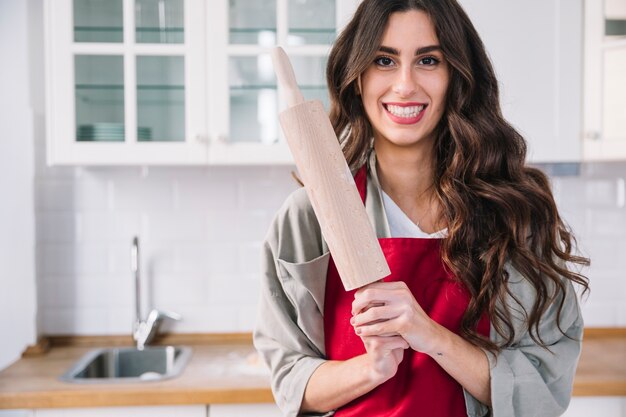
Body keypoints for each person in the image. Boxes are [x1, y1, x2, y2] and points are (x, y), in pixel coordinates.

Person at [253, 0, 590, 416]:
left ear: (456, 77)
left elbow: (543, 386)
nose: (405, 85)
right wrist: (371, 368)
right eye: (384, 60)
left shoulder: (514, 213)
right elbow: (290, 381)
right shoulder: (307, 218)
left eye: (428, 60)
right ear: (357, 78)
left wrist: (429, 335)